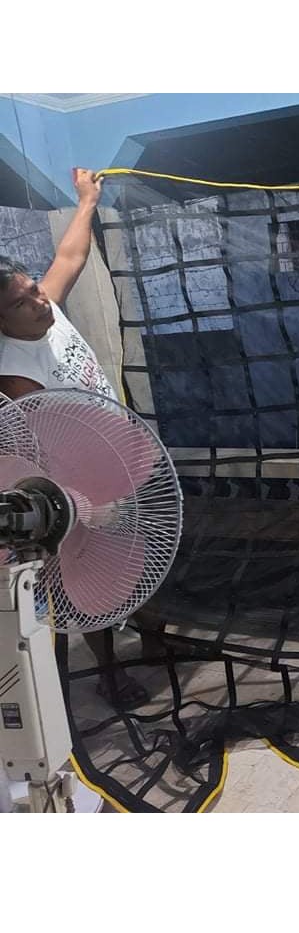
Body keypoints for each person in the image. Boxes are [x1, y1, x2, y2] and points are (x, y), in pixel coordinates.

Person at [0, 168, 159, 708]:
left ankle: (156, 642)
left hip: (120, 461)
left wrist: (87, 199)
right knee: (89, 580)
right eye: (22, 302)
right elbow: (37, 451)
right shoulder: (14, 375)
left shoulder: (48, 310)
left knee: (145, 556)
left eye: (34, 289)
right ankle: (109, 674)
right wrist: (84, 502)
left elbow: (70, 256)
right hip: (76, 489)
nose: (39, 301)